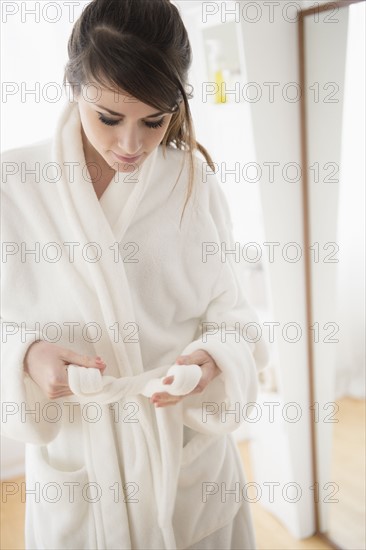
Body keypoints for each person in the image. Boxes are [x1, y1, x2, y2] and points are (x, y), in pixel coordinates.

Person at [1, 0, 269, 548]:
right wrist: (24, 356)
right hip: (82, 475)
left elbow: (235, 319)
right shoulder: (14, 189)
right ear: (74, 86)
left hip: (185, 469)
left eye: (155, 120)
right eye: (108, 117)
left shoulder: (191, 182)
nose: (131, 145)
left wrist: (210, 358)